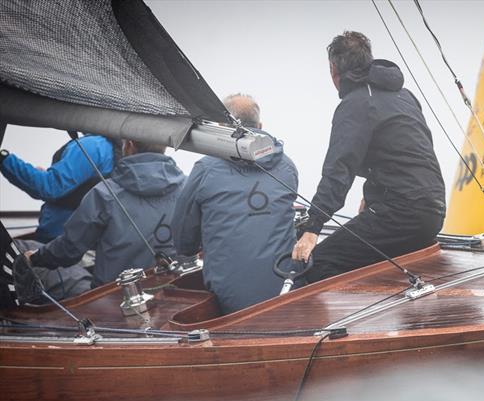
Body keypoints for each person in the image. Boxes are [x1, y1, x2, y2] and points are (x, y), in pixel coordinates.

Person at [292, 31, 446, 282]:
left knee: (318, 264)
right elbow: (406, 153)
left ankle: (348, 322)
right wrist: (371, 194)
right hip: (433, 210)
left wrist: (313, 229)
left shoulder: (356, 104)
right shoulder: (405, 96)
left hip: (401, 213)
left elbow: (338, 171)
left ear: (334, 71)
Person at [171, 94, 298, 314]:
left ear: (222, 127)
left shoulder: (205, 168)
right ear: (260, 126)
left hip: (230, 299)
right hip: (285, 290)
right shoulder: (287, 166)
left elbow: (184, 242)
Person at [25, 139, 185, 287]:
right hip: (178, 289)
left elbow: (69, 249)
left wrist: (35, 258)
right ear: (164, 147)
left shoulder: (104, 193)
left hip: (114, 296)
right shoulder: (187, 186)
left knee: (26, 247)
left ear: (129, 145)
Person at [0, 134, 118, 242]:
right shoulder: (115, 149)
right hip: (91, 239)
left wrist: (4, 159)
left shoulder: (93, 146)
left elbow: (49, 187)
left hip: (62, 242)